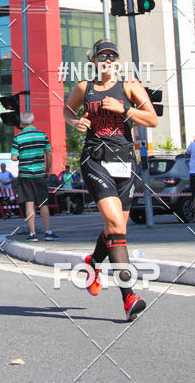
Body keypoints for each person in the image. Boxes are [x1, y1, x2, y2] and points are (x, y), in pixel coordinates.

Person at [64, 38, 158, 322]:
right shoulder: (84, 88)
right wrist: (75, 121)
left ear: (117, 61)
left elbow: (152, 119)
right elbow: (67, 110)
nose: (106, 60)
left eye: (112, 56)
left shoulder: (129, 86)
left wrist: (125, 110)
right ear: (93, 60)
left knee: (116, 228)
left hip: (124, 160)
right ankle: (129, 297)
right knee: (116, 225)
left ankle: (93, 262)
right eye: (101, 55)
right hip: (94, 158)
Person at [11, 110, 59, 242]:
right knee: (43, 202)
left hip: (25, 174)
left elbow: (14, 157)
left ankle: (32, 233)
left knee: (29, 202)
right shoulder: (42, 135)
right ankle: (48, 231)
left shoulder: (18, 137)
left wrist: (24, 156)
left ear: (22, 122)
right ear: (32, 121)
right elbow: (49, 154)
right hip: (39, 173)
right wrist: (47, 170)